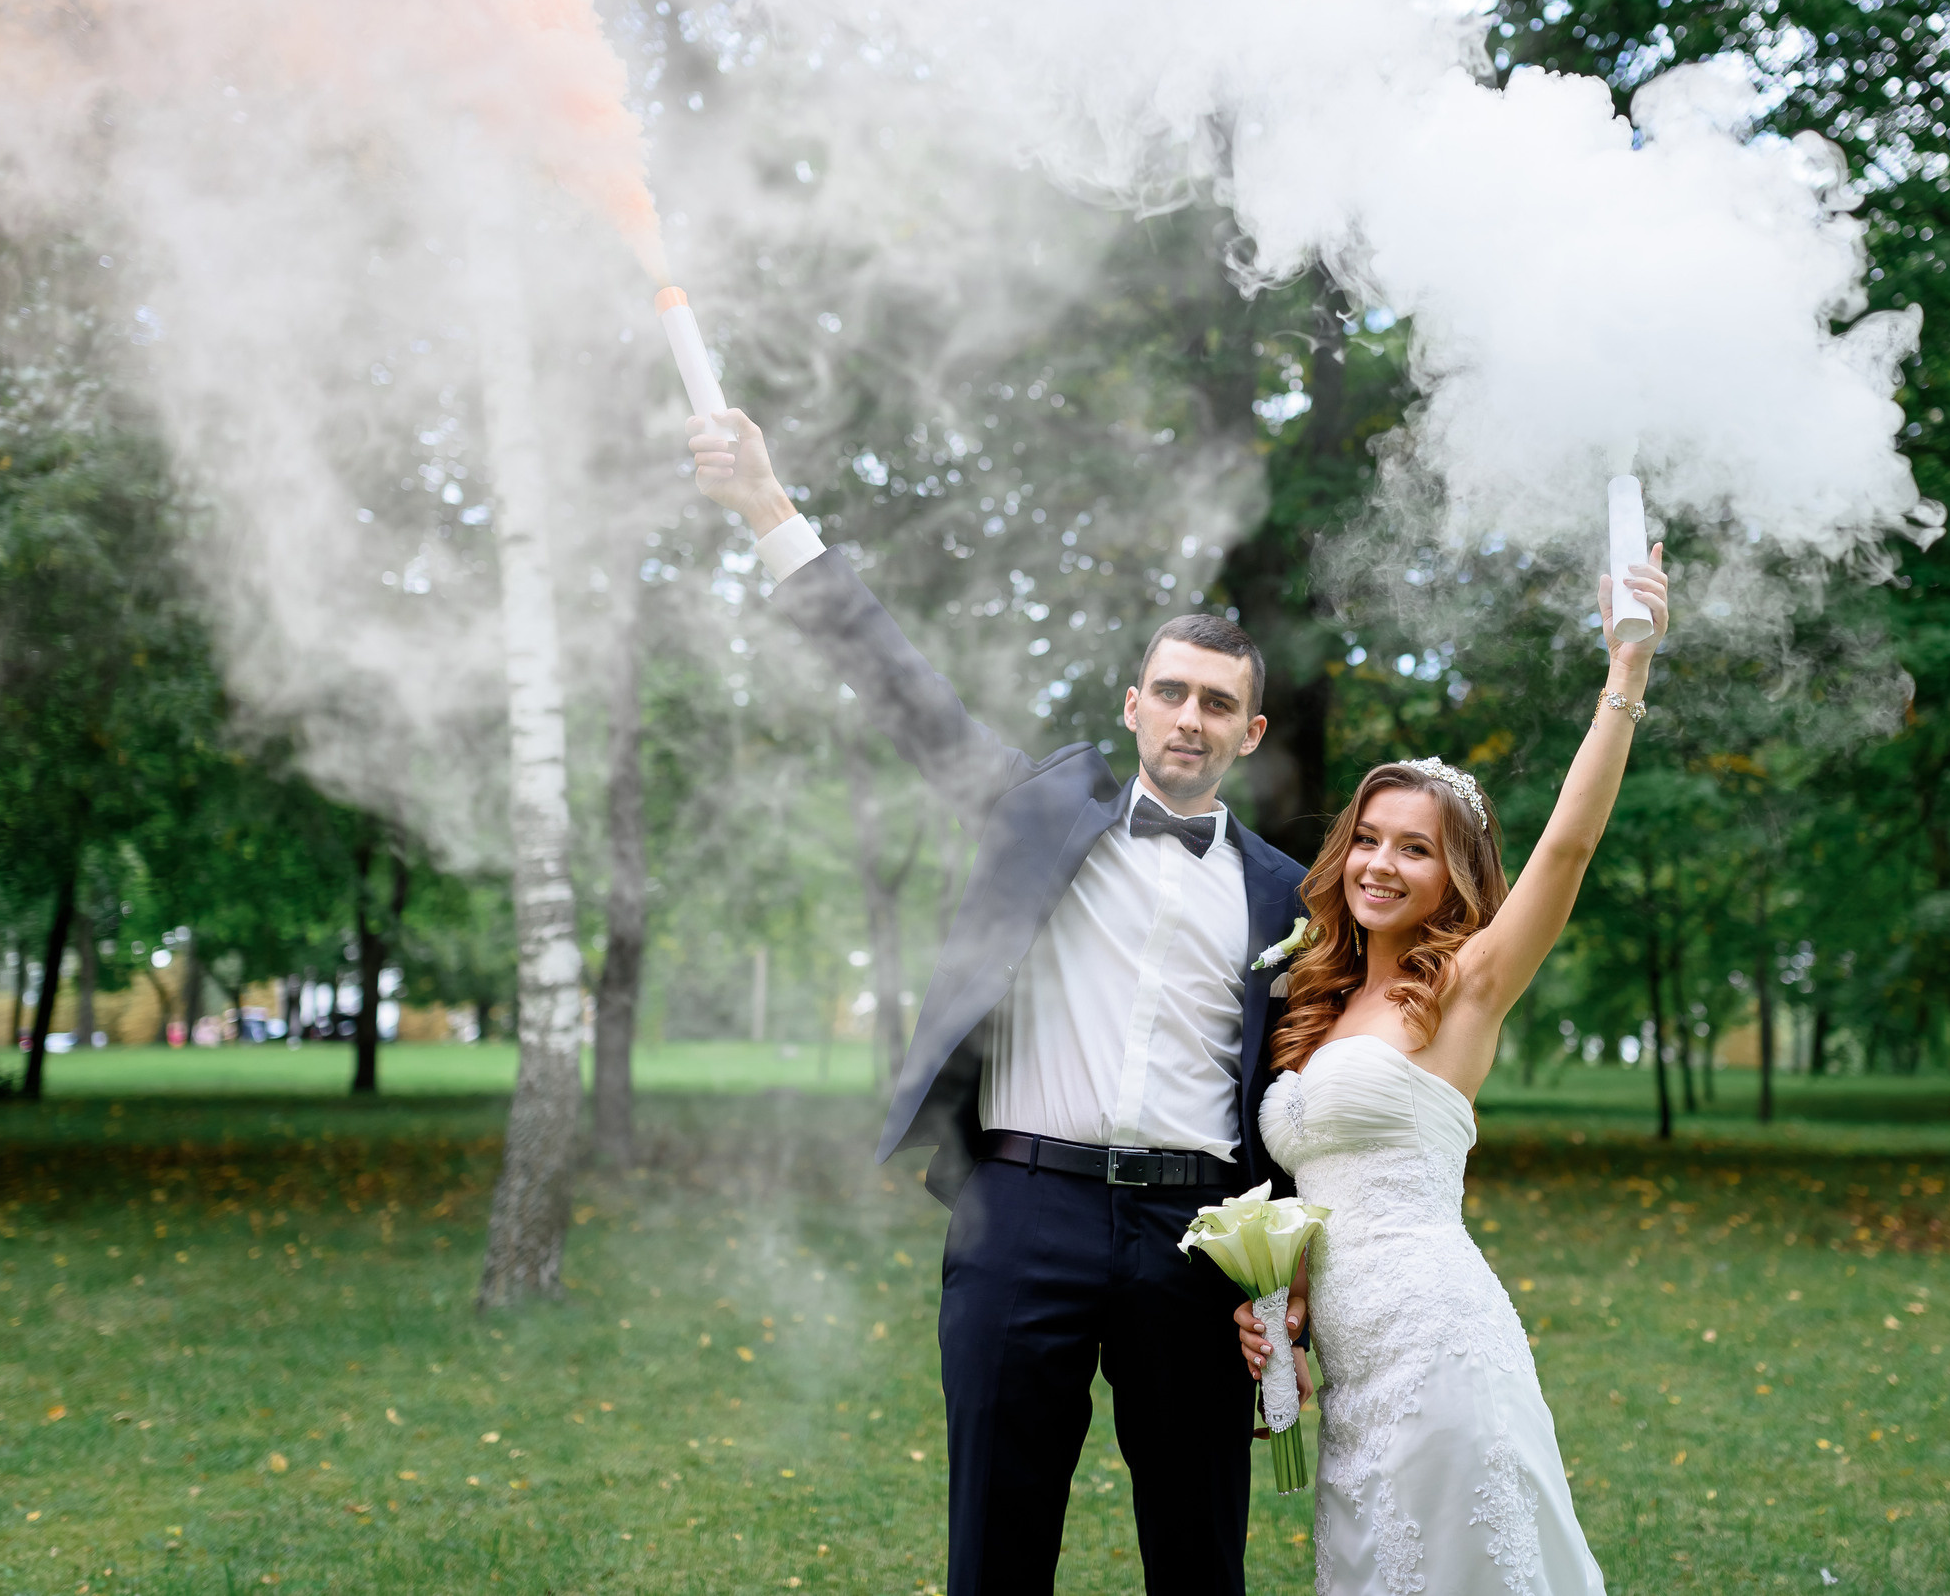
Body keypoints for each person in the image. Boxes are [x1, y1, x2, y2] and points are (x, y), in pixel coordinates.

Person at [687, 405, 1310, 1596]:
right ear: (1132, 705)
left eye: (1216, 702)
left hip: (1193, 1245)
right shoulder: (1036, 808)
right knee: (997, 1538)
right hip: (1023, 1212)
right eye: (1170, 691)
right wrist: (769, 507)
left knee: (1199, 1549)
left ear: (1249, 728)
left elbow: (1299, 1091)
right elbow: (898, 683)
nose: (1190, 717)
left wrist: (1279, 1280)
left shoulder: (1287, 890)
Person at [1235, 545, 1670, 1595]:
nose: (1383, 864)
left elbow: (1565, 849)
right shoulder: (1315, 1000)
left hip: (1438, 1344)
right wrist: (1278, 1298)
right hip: (1353, 1370)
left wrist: (1626, 675)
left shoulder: (1467, 984)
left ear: (1453, 875)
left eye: (1416, 848)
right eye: (1369, 840)